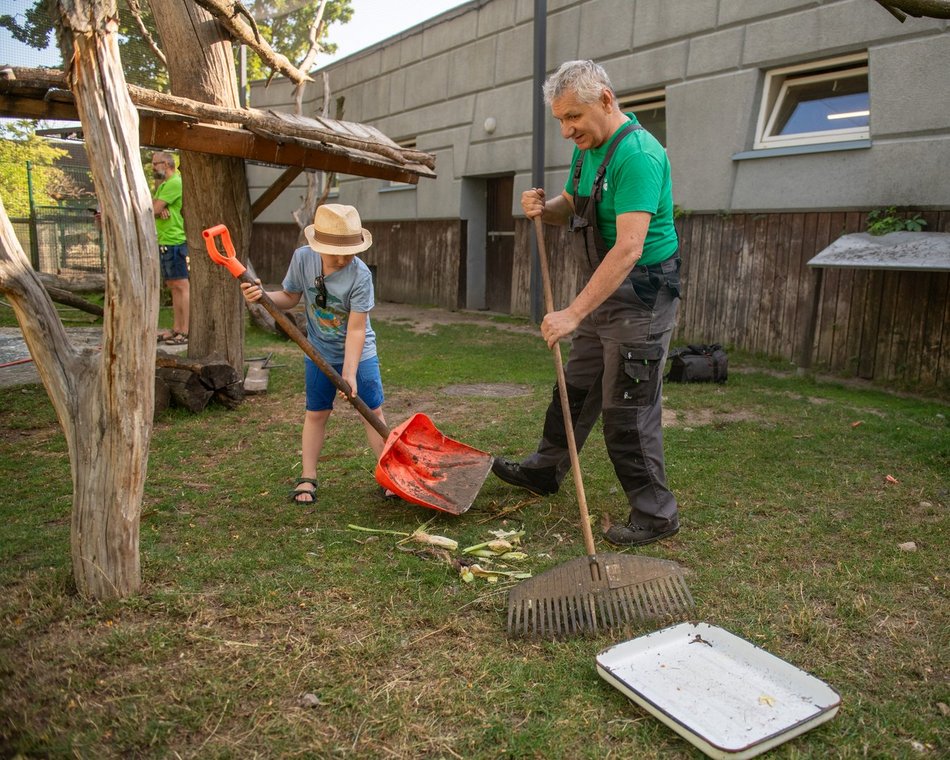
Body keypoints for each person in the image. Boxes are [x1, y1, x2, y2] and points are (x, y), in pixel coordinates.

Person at [492, 60, 682, 547]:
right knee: (573, 389)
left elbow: (629, 248)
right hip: (605, 291)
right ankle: (545, 470)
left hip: (641, 297)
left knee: (628, 409)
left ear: (605, 100)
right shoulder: (588, 151)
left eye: (572, 117)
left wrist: (573, 312)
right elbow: (573, 207)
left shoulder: (638, 155)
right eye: (560, 119)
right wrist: (544, 207)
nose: (566, 130)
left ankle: (656, 514)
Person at [240, 204, 390, 505]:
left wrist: (349, 374)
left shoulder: (361, 275)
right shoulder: (303, 259)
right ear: (318, 245)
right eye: (335, 252)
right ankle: (308, 476)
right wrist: (262, 296)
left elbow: (356, 330)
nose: (342, 259)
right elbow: (290, 297)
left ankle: (390, 474)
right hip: (318, 351)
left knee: (372, 412)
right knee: (317, 412)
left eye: (349, 252)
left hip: (359, 355)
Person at [151, 151, 190, 345]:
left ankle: (186, 330)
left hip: (175, 239)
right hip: (166, 239)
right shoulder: (164, 185)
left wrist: (158, 209)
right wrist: (159, 209)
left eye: (155, 164)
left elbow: (153, 209)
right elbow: (155, 207)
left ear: (166, 164)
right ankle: (177, 328)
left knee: (182, 285)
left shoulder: (175, 182)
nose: (153, 168)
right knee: (173, 286)